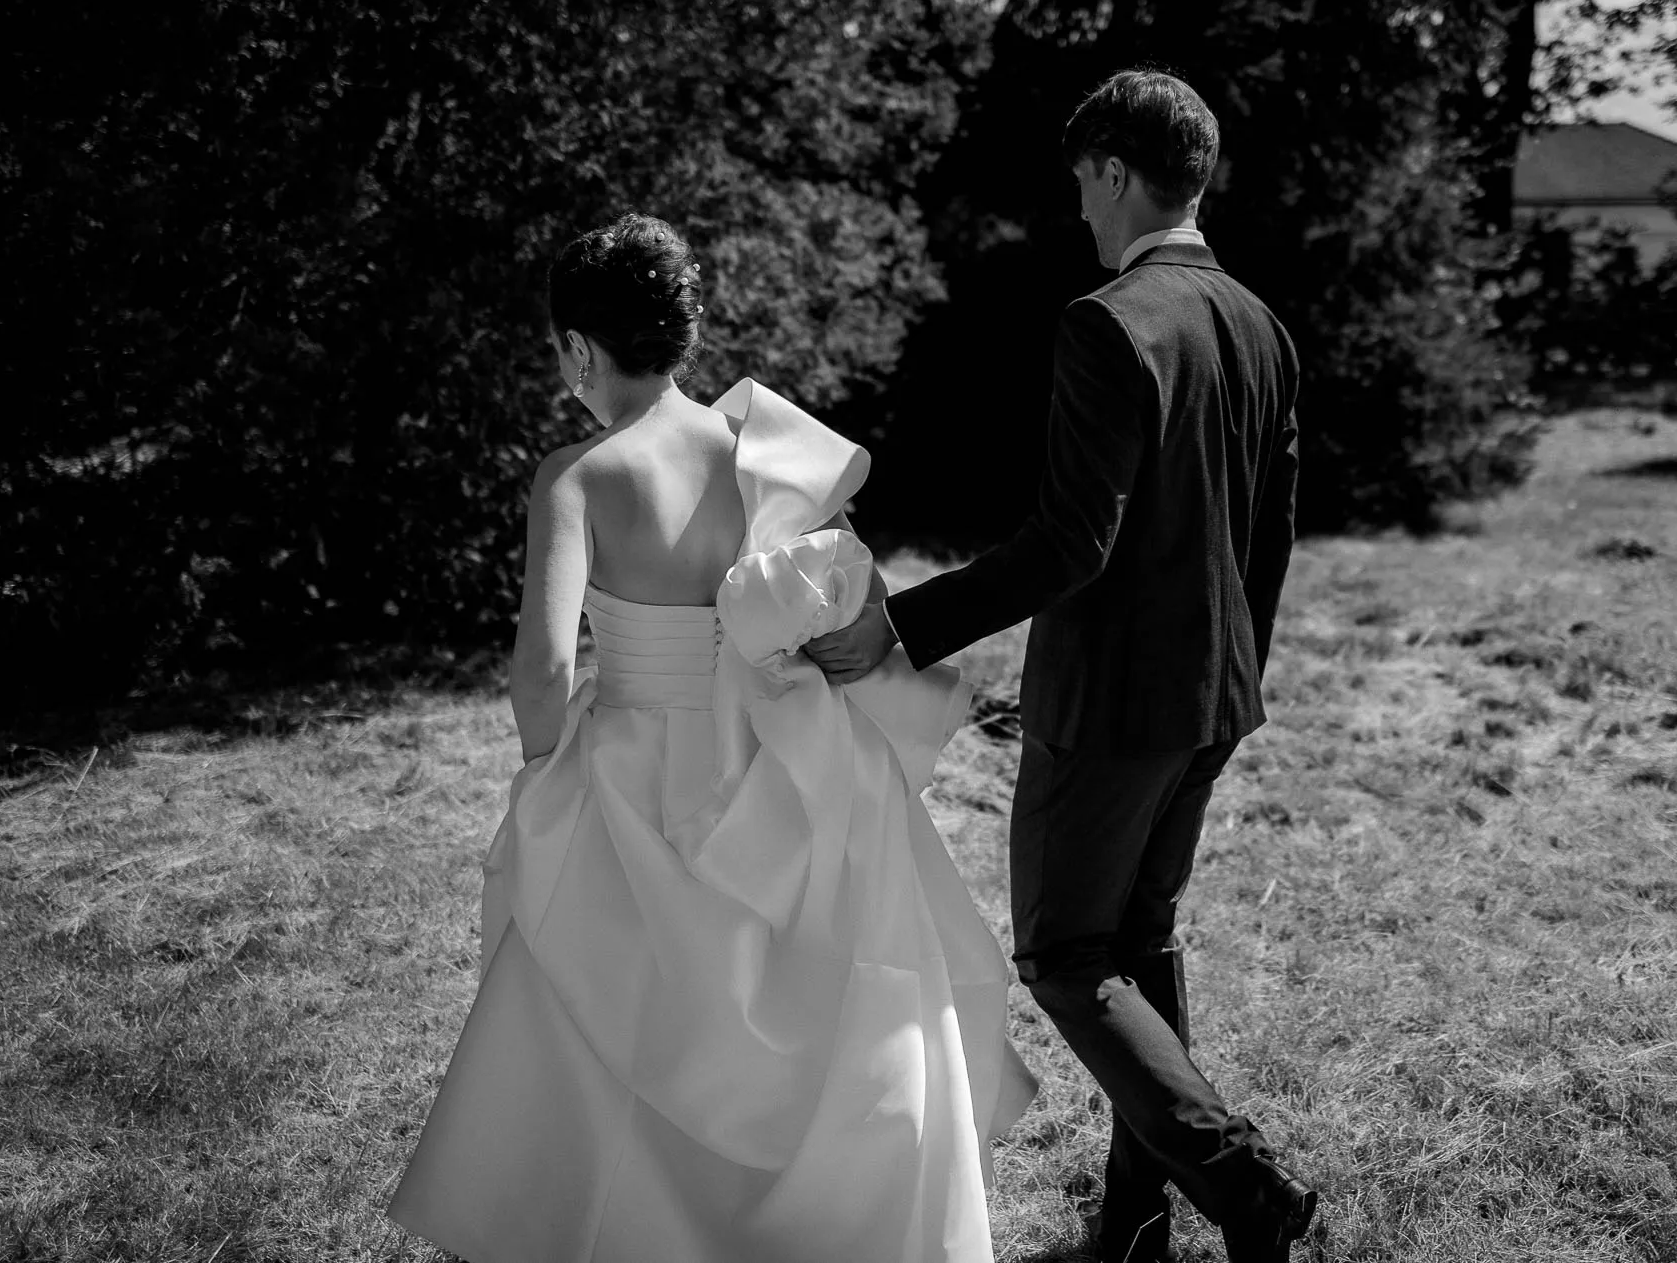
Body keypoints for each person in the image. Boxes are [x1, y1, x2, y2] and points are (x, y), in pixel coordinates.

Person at [386, 213, 1034, 1263]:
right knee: (823, 1002)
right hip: (778, 763)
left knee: (612, 1009)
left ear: (580, 349)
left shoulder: (579, 475)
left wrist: (548, 771)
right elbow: (846, 613)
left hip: (630, 770)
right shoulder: (764, 457)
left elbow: (544, 667)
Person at [805, 70, 1314, 1263]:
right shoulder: (1262, 325)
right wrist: (1237, 672)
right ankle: (1134, 1224)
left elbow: (1070, 545)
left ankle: (1244, 1186)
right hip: (1215, 695)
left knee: (1066, 955)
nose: (1080, 208)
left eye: (1084, 181)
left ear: (1118, 173)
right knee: (1138, 945)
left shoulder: (1109, 321)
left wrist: (902, 625)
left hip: (1112, 705)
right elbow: (1274, 535)